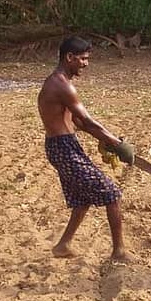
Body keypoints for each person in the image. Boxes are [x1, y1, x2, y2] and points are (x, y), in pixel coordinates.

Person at [38, 37, 135, 260]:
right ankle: (119, 251)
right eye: (82, 59)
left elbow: (78, 123)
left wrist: (106, 140)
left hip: (63, 146)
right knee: (112, 194)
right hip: (63, 149)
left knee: (83, 199)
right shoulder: (62, 85)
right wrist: (118, 145)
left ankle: (63, 246)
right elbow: (88, 121)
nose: (85, 63)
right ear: (69, 57)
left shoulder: (57, 82)